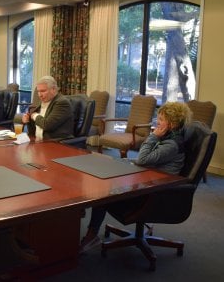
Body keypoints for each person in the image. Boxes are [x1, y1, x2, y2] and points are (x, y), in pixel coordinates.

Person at [79, 101, 193, 253]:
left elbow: (142, 160)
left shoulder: (171, 144)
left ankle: (91, 234)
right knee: (106, 174)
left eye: (161, 120)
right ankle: (82, 208)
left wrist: (153, 136)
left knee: (102, 192)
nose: (157, 122)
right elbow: (147, 161)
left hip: (155, 193)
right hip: (148, 180)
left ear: (171, 124)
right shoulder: (170, 136)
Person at [22, 75, 73, 141]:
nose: (40, 95)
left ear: (54, 89)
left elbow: (47, 125)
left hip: (55, 144)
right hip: (38, 142)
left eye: (43, 91)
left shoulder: (62, 103)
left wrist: (34, 115)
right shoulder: (43, 101)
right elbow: (35, 123)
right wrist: (27, 119)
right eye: (38, 91)